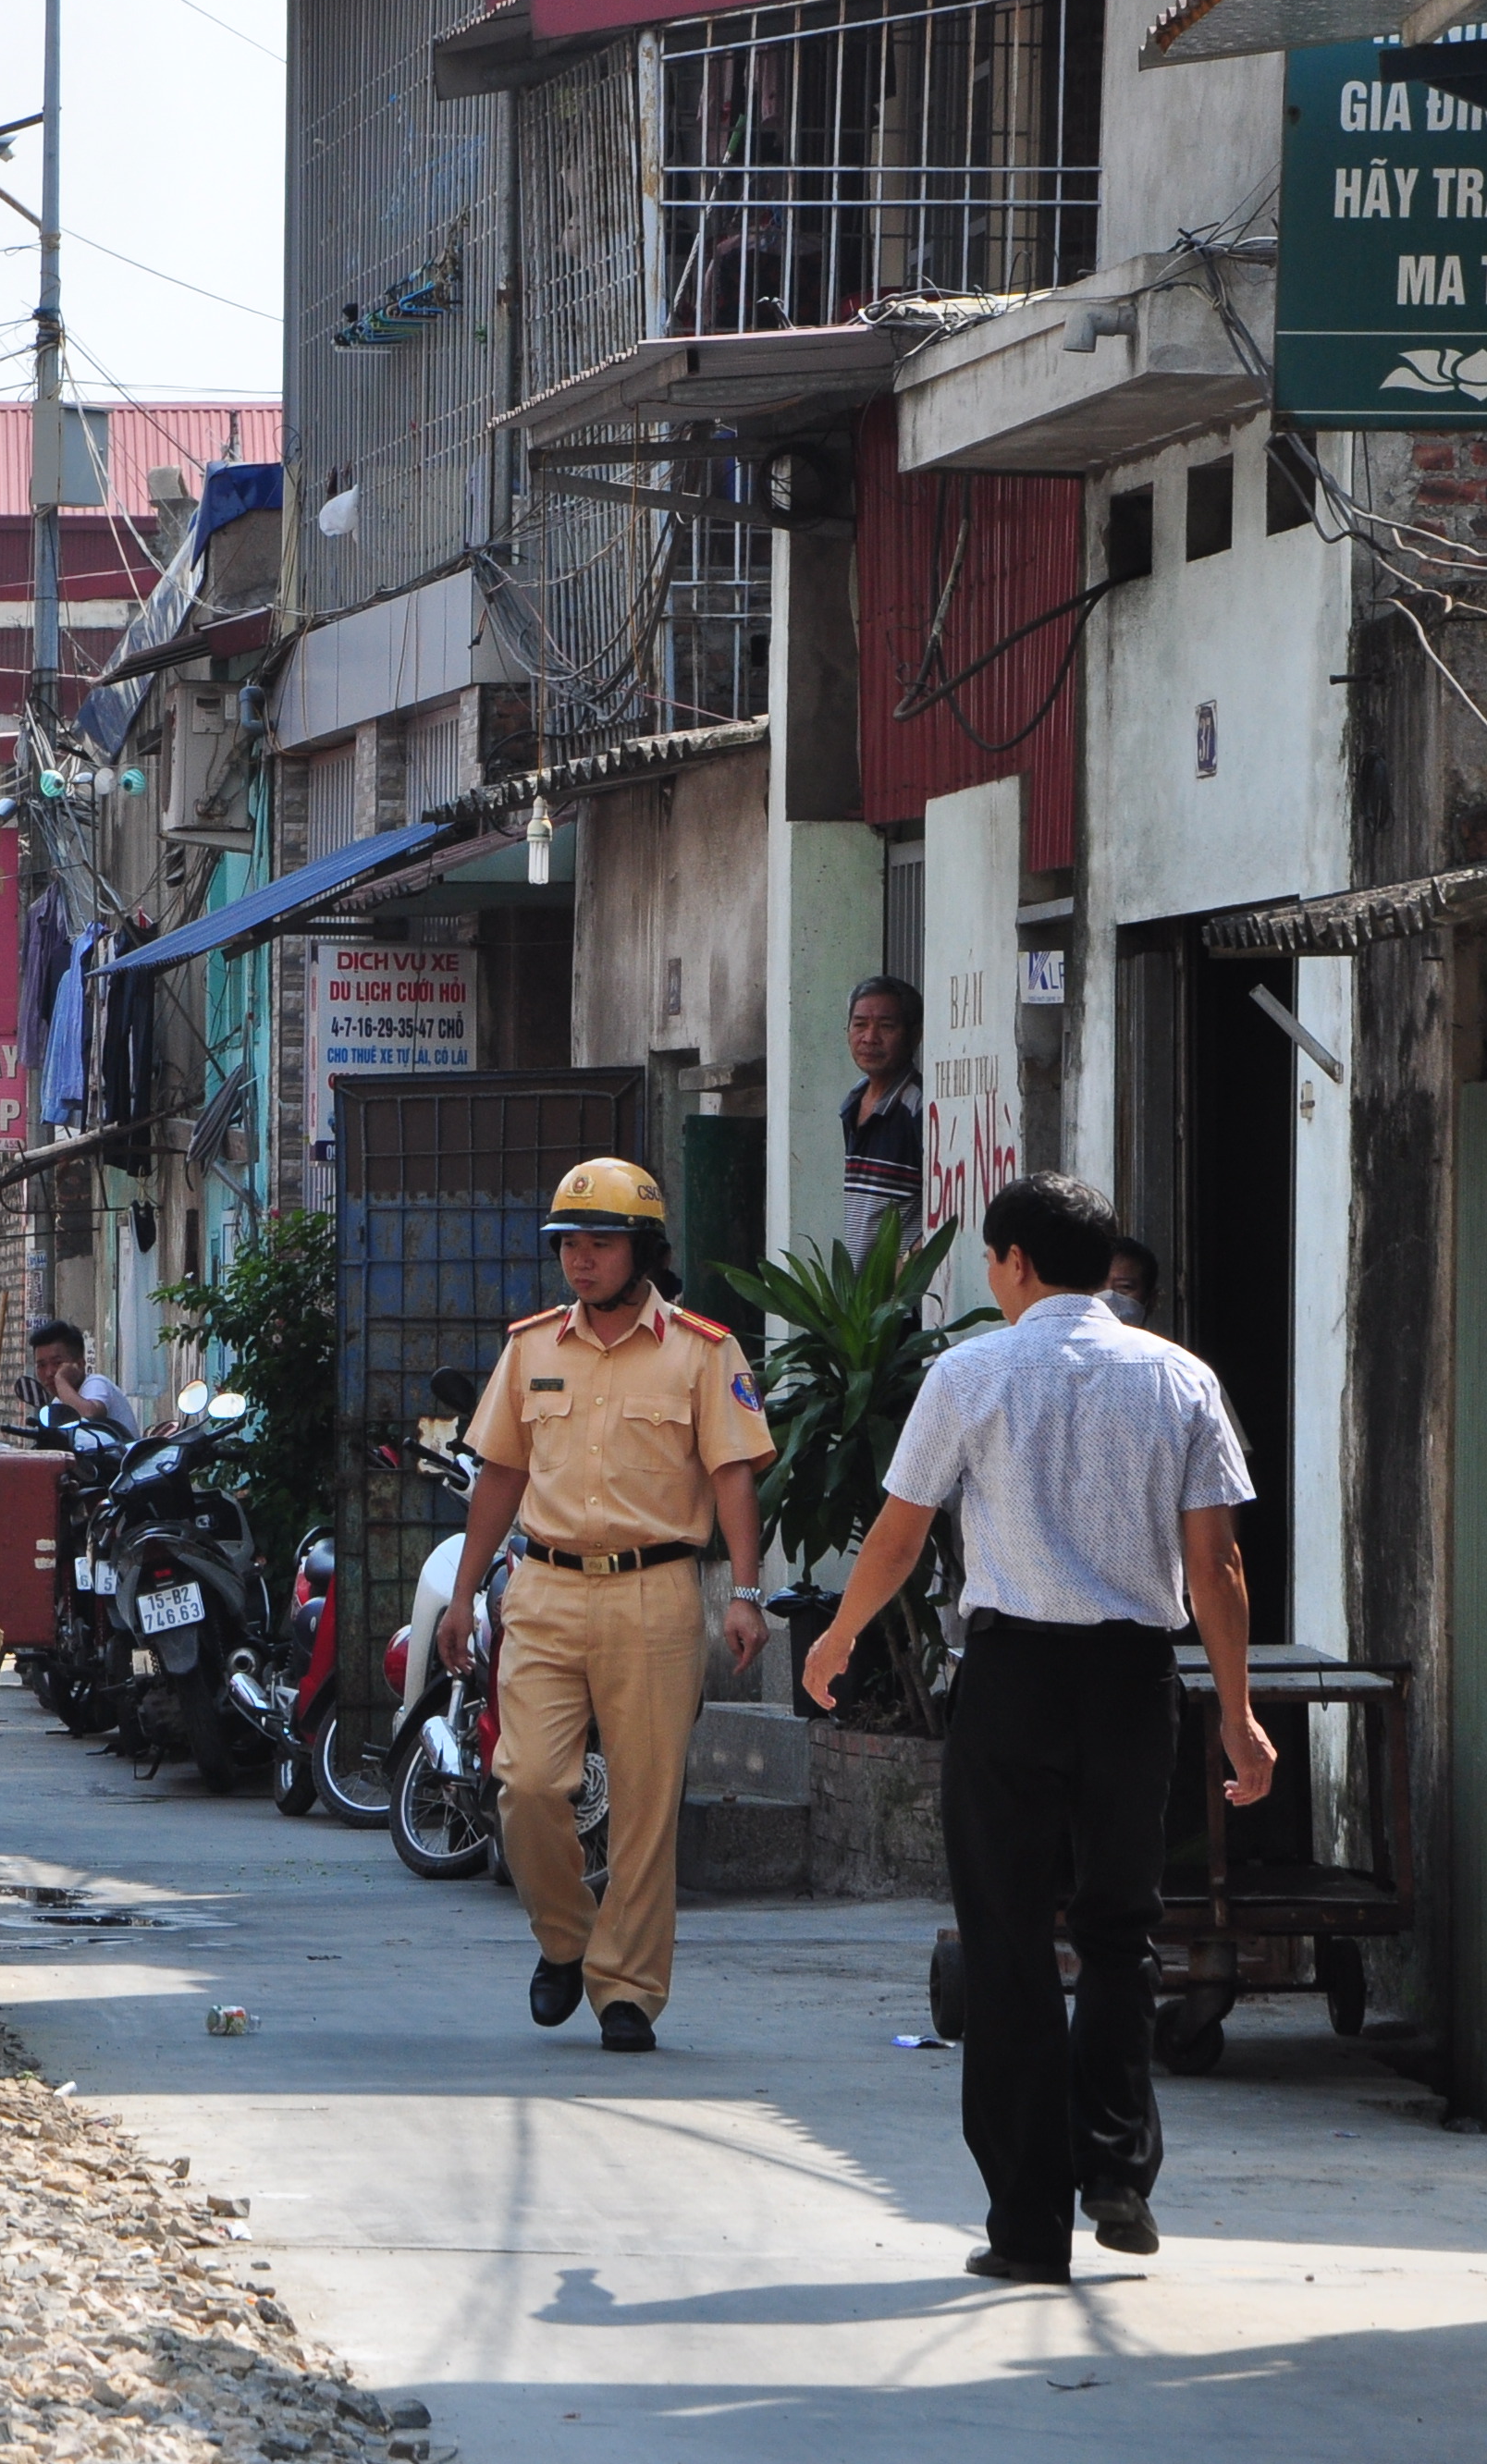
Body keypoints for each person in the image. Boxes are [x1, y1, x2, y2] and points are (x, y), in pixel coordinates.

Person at [808, 1171, 1272, 2287]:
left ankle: (1026, 2226)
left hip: (1011, 1676)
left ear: (1014, 1261)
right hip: (1130, 1680)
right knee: (1120, 1927)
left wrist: (838, 1636)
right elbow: (1216, 1563)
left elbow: (898, 1535)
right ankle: (1114, 2166)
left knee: (1007, 1941)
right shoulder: (1179, 1377)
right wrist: (1239, 1713)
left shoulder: (969, 1372)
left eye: (989, 1258)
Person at [446, 1158, 774, 2053]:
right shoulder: (531, 1347)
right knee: (525, 1783)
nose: (580, 1260)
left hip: (655, 1591)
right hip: (544, 1588)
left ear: (644, 1252)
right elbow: (500, 1474)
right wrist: (464, 1591)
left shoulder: (702, 1350)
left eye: (599, 1243)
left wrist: (746, 1595)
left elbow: (733, 1475)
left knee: (644, 1804)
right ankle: (566, 1938)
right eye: (568, 1244)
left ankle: (627, 1989)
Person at [842, 975, 924, 1251]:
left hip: (904, 1278)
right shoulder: (853, 1102)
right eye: (860, 1025)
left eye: (886, 1026)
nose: (870, 1038)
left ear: (915, 1035)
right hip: (862, 1279)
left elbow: (950, 1204)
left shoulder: (919, 1106)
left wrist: (909, 1261)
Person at [27, 1318, 132, 1429]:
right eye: (41, 1365)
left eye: (57, 1363)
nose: (49, 1373)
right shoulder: (58, 1403)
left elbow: (89, 1416)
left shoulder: (96, 1383)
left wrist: (61, 1380)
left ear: (80, 1364)